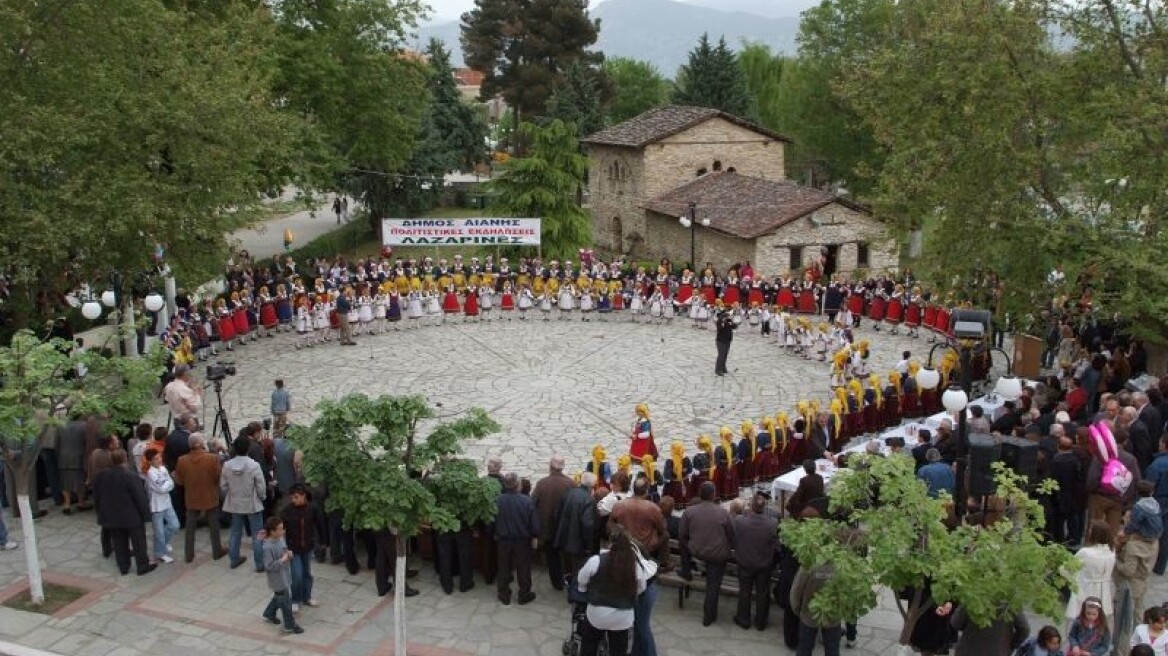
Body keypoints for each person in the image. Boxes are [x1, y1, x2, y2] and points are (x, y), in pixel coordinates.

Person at [609, 478, 666, 656]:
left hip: (626, 553)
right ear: (647, 490)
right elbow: (662, 529)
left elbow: (610, 525)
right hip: (645, 554)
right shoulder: (652, 508)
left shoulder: (620, 506)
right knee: (642, 622)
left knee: (634, 617)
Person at [575, 528, 655, 656]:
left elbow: (582, 579)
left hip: (597, 614)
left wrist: (583, 590)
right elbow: (641, 586)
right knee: (618, 650)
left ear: (609, 543)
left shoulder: (596, 560)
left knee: (589, 643)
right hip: (622, 617)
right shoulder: (633, 564)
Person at [92, 449, 156, 576]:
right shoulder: (130, 476)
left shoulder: (101, 475)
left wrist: (100, 511)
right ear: (125, 459)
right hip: (131, 516)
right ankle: (142, 565)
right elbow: (140, 497)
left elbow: (97, 496)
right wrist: (146, 515)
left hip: (112, 515)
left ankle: (123, 566)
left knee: (118, 541)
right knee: (138, 542)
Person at [679, 481, 734, 626]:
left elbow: (682, 535)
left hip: (697, 553)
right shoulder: (723, 512)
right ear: (713, 495)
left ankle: (687, 570)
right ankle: (709, 616)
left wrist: (694, 545)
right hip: (716, 555)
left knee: (684, 544)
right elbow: (731, 536)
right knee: (713, 585)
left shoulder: (689, 512)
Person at [175, 433, 225, 563]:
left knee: (190, 526)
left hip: (192, 497)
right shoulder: (212, 458)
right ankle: (217, 550)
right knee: (214, 524)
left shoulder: (182, 460)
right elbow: (218, 477)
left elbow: (179, 481)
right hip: (209, 495)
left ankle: (189, 554)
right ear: (200, 444)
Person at [732, 492, 778, 631]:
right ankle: (760, 622)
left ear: (751, 506)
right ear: (764, 508)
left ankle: (743, 619)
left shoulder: (740, 521)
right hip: (763, 564)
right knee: (762, 593)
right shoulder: (772, 523)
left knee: (745, 591)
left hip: (745, 562)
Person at [221, 436, 267, 571]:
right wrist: (262, 497)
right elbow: (261, 485)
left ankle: (234, 559)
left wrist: (230, 496)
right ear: (248, 448)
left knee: (235, 532)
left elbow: (223, 486)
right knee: (257, 534)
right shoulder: (254, 465)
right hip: (252, 503)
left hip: (235, 503)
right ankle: (259, 564)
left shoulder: (227, 465)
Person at [495, 472, 539, 605]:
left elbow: (491, 520)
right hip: (521, 540)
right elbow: (534, 524)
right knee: (523, 568)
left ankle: (503, 594)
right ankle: (524, 594)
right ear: (517, 485)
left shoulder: (498, 500)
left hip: (503, 539)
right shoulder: (526, 501)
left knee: (503, 566)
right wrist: (534, 536)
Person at [531, 456, 574, 590]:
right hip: (565, 526)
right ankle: (568, 577)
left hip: (547, 526)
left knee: (552, 554)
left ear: (550, 466)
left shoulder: (542, 483)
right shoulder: (571, 483)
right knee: (565, 554)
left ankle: (556, 581)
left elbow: (532, 503)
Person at [1066, 521, 1116, 631]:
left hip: (1085, 588)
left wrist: (1073, 580)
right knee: (1100, 621)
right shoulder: (1112, 552)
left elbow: (1067, 568)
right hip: (1104, 591)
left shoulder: (1085, 552)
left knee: (1078, 617)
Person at [790, 556, 844, 656]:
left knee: (804, 649)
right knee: (832, 651)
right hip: (833, 615)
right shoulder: (842, 565)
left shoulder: (808, 564)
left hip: (809, 614)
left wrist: (798, 609)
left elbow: (796, 590)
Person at [260, 517, 304, 635]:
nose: (282, 531)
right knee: (285, 603)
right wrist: (282, 560)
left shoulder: (280, 539)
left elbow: (284, 549)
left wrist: (288, 553)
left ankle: (269, 613)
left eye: (282, 528)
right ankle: (290, 625)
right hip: (277, 580)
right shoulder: (267, 547)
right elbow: (268, 566)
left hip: (284, 575)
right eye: (279, 529)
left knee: (279, 598)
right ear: (272, 531)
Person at [280, 483, 319, 612]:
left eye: (296, 497)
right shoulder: (287, 511)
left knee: (307, 573)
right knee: (297, 575)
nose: (293, 500)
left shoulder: (312, 508)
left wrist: (322, 542)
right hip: (293, 548)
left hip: (307, 547)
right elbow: (280, 527)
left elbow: (319, 525)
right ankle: (295, 599)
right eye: (292, 497)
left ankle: (307, 597)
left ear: (303, 496)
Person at [555, 471, 597, 579]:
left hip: (564, 540)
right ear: (592, 486)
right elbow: (587, 525)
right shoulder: (589, 500)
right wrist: (588, 546)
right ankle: (575, 591)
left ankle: (567, 582)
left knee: (567, 568)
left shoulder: (568, 493)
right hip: (578, 545)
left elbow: (558, 514)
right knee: (578, 572)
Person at [143, 448, 179, 564]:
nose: (159, 460)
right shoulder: (150, 473)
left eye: (159, 457)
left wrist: (167, 484)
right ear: (150, 461)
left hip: (167, 502)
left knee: (174, 525)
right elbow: (161, 488)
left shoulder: (163, 469)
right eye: (156, 459)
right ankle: (160, 553)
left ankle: (164, 542)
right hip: (156, 506)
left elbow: (171, 483)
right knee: (158, 531)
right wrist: (167, 484)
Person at [949, 605, 1029, 656]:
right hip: (998, 651)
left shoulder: (972, 596)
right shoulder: (1010, 601)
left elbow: (955, 623)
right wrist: (1010, 646)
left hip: (968, 650)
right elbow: (1024, 629)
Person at [714, 309, 737, 376]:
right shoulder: (719, 321)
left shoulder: (729, 321)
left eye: (728, 316)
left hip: (728, 340)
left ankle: (723, 368)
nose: (728, 317)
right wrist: (723, 324)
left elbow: (735, 327)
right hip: (721, 341)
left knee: (725, 355)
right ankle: (718, 370)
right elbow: (720, 329)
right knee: (721, 355)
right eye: (727, 316)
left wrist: (732, 323)